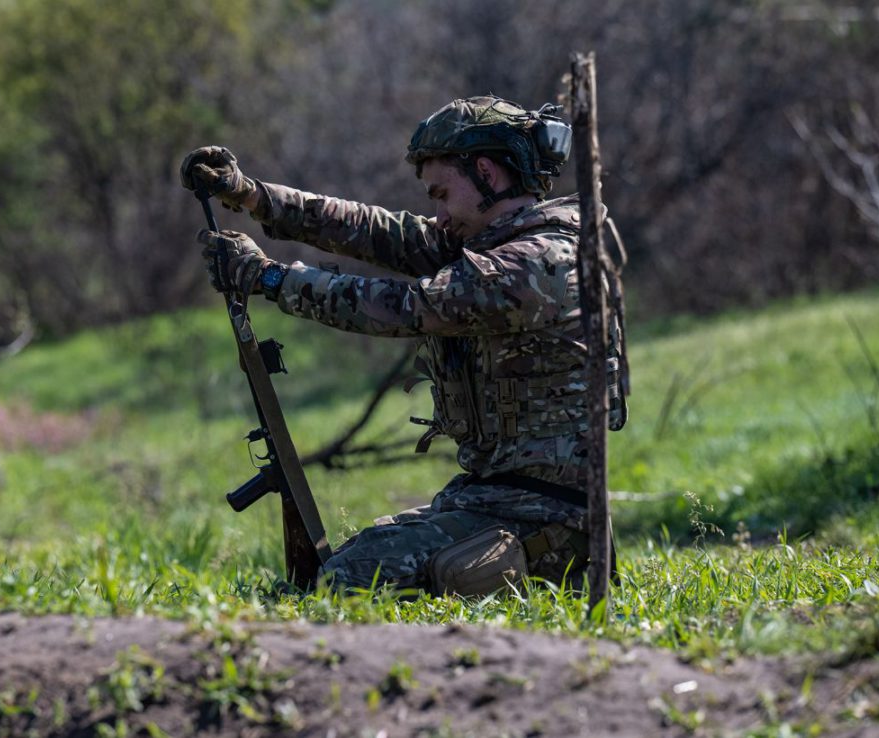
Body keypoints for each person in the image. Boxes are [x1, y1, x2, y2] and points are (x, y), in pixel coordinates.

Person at [180, 96, 627, 595]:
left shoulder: (539, 263)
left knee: (345, 581)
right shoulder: (484, 243)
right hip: (488, 502)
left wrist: (267, 278)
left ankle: (540, 575)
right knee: (330, 574)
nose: (436, 215)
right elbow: (376, 232)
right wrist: (252, 195)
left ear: (486, 172)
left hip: (550, 521)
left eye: (441, 194)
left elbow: (408, 307)